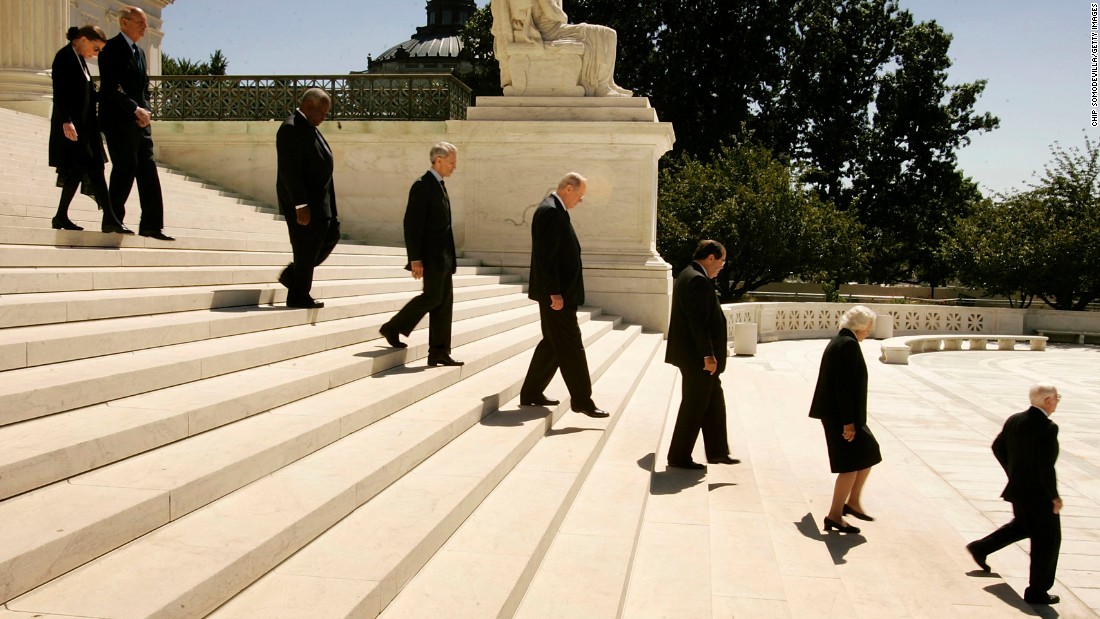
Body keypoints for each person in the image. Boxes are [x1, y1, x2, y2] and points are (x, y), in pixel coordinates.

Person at [518, 172, 607, 418]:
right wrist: (554, 292)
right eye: (579, 195)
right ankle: (582, 400)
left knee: (553, 344)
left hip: (559, 293)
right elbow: (546, 258)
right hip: (557, 296)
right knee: (571, 346)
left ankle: (531, 392)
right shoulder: (550, 211)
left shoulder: (555, 209)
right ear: (568, 188)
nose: (580, 201)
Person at [966, 384, 1063, 606]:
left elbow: (997, 446)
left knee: (1023, 526)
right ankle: (1037, 592)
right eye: (1057, 397)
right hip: (1039, 495)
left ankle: (981, 547)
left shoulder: (1015, 419)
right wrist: (1054, 496)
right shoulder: (1048, 428)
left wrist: (1013, 472)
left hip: (1018, 490)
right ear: (1047, 400)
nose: (1058, 400)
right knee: (1047, 541)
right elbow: (1045, 466)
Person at [379, 143, 463, 367]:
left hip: (444, 258)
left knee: (444, 304)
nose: (454, 167)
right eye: (452, 162)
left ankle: (439, 352)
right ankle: (393, 327)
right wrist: (415, 259)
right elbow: (412, 225)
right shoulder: (422, 186)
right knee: (433, 298)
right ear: (438, 160)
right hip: (431, 257)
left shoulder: (439, 185)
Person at [97, 6, 173, 241]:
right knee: (124, 169)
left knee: (148, 172)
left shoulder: (139, 53)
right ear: (124, 23)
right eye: (140, 22)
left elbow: (144, 90)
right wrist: (134, 109)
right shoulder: (110, 49)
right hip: (118, 122)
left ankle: (151, 225)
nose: (145, 26)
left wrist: (146, 111)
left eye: (145, 23)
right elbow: (110, 87)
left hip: (140, 123)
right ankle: (112, 220)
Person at [48, 25, 130, 234]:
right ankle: (111, 218)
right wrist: (66, 121)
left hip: (87, 127)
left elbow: (86, 95)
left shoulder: (81, 61)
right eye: (95, 48)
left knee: (81, 171)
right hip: (74, 127)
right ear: (83, 39)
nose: (97, 54)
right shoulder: (64, 57)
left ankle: (61, 216)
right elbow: (60, 92)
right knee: (92, 170)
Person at [665, 240, 739, 470]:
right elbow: (698, 324)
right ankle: (678, 456)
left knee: (714, 402)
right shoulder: (697, 279)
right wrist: (708, 355)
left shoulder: (690, 274)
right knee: (694, 406)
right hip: (697, 358)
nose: (722, 266)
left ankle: (718, 451)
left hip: (693, 356)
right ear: (710, 258)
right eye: (721, 261)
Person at [808, 305, 882, 534]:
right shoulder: (848, 345)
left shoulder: (840, 340)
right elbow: (843, 387)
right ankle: (835, 515)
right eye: (869, 327)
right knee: (850, 465)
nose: (869, 332)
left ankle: (852, 502)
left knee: (869, 452)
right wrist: (848, 423)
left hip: (840, 415)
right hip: (841, 417)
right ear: (861, 326)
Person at [275, 88, 341, 309]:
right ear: (309, 105)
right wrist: (300, 204)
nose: (324, 117)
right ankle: (298, 294)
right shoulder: (290, 128)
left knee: (331, 236)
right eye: (322, 112)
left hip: (322, 201)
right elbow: (289, 171)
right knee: (305, 247)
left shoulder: (309, 126)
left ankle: (293, 276)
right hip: (303, 203)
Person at [490, 0, 631, 97]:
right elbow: (556, 14)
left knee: (605, 34)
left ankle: (607, 83)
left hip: (550, 31)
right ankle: (602, 85)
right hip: (549, 33)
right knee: (607, 34)